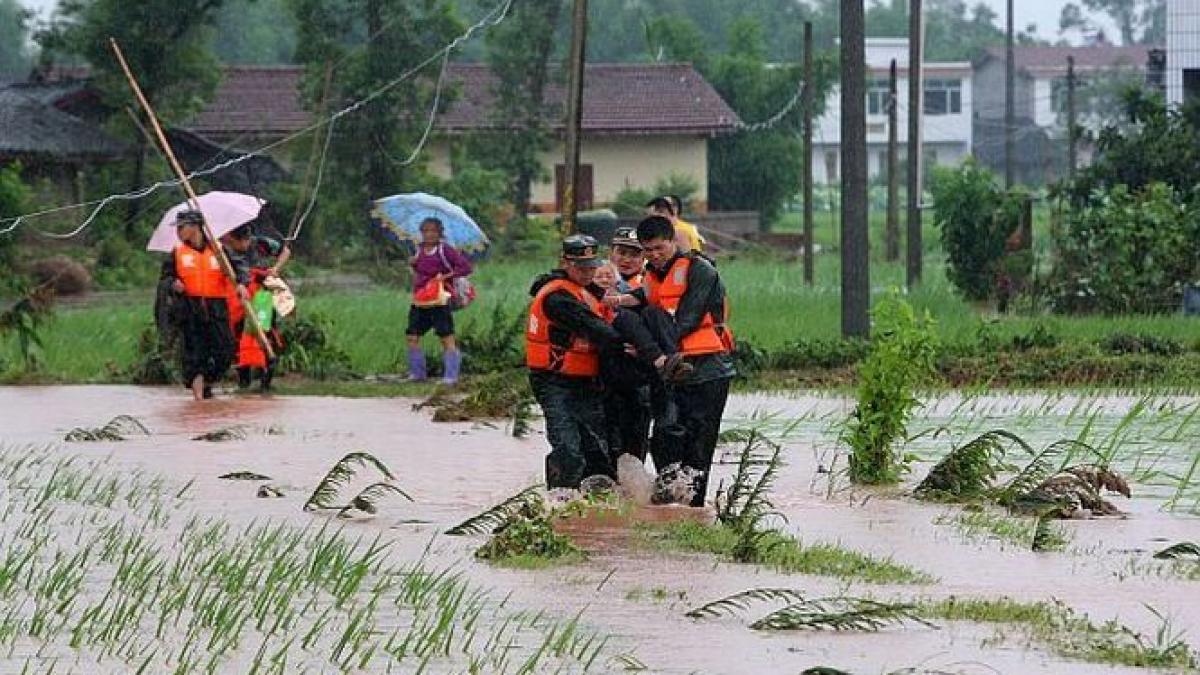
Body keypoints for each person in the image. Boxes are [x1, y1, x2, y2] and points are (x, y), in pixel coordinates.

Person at [617, 215, 735, 506]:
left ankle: (693, 508)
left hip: (707, 368)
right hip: (672, 371)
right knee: (666, 434)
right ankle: (671, 505)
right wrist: (617, 302)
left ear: (673, 241)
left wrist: (650, 348)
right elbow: (640, 299)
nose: (655, 255)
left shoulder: (700, 270)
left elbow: (688, 319)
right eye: (649, 250)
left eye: (660, 248)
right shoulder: (651, 276)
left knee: (699, 442)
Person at [160, 210, 243, 401]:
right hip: (190, 307)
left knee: (226, 350)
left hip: (216, 307)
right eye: (178, 228)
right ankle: (199, 401)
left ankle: (207, 383)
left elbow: (240, 269)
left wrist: (240, 283)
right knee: (195, 354)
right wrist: (173, 283)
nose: (179, 231)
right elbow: (165, 278)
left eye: (182, 227)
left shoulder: (220, 250)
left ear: (196, 227)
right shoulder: (177, 253)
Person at [223, 224, 290, 390]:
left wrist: (276, 268)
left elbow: (285, 251)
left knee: (264, 334)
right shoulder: (224, 251)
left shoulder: (261, 243)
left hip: (262, 297)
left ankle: (266, 379)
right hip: (239, 298)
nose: (244, 245)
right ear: (231, 239)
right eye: (240, 241)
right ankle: (243, 381)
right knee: (239, 337)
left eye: (246, 240)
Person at [407, 217, 472, 385]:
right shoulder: (418, 250)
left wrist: (445, 276)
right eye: (425, 231)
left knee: (446, 337)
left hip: (439, 300)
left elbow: (465, 267)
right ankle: (417, 374)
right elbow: (420, 271)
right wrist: (413, 264)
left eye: (433, 231)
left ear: (440, 233)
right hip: (420, 299)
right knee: (412, 335)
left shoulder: (446, 250)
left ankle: (451, 376)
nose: (429, 234)